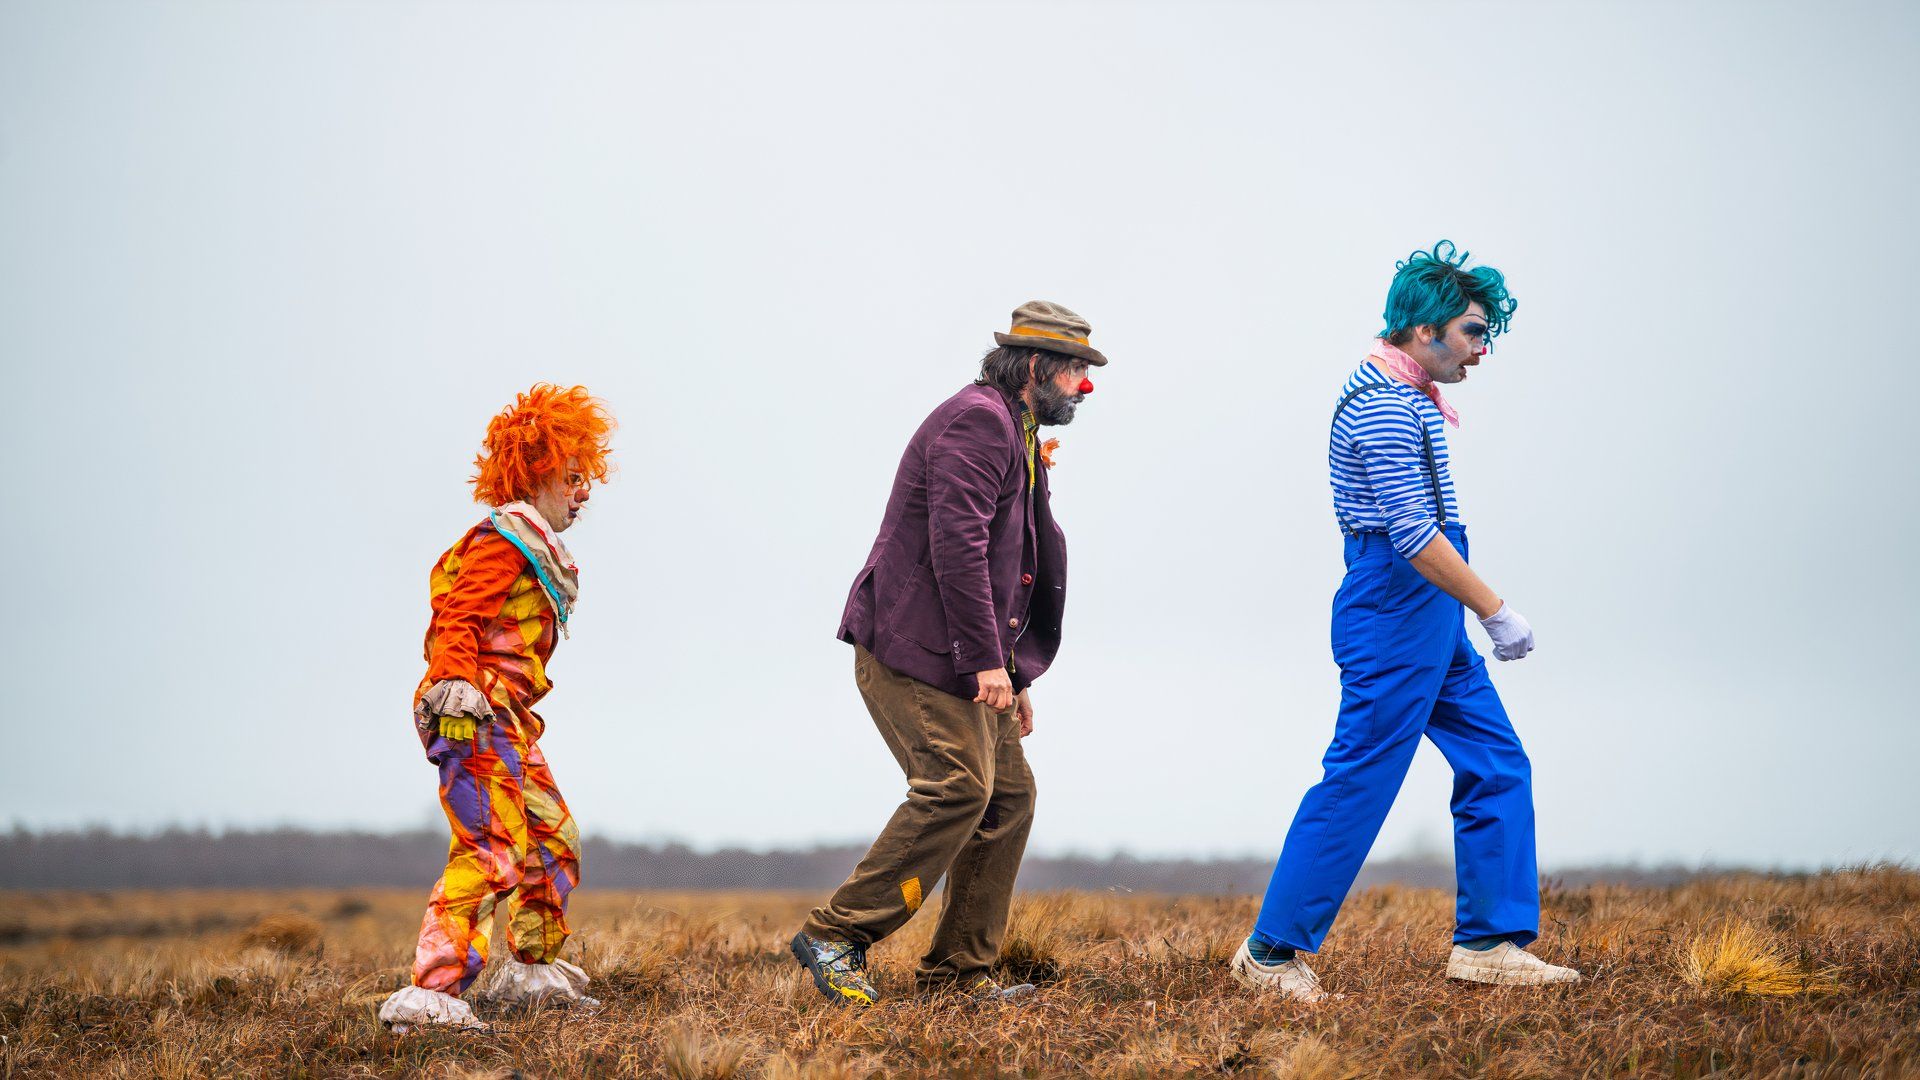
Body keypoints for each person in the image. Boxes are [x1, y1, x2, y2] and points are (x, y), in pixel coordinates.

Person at [1232, 242, 1581, 1001]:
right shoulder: (1383, 405)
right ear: (1424, 330)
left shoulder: (1407, 392)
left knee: (1496, 762)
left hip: (1426, 614)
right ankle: (1269, 954)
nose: (1482, 351)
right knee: (1361, 778)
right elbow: (1415, 538)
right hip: (1395, 607)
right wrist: (1495, 610)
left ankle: (1489, 941)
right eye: (1473, 332)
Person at [789, 301, 1104, 1006]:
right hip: (915, 649)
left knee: (1010, 798)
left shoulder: (1015, 428)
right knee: (959, 787)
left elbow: (1010, 559)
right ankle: (837, 933)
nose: (1085, 387)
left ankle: (960, 975)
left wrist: (1013, 670)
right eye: (1077, 370)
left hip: (966, 650)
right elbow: (956, 549)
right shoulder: (978, 422)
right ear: (1035, 368)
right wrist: (983, 660)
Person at [378, 384, 615, 1032]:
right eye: (573, 476)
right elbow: (457, 617)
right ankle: (435, 994)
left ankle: (534, 973)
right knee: (492, 846)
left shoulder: (534, 551)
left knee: (551, 838)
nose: (585, 491)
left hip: (510, 720)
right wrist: (455, 688)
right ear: (537, 472)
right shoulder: (501, 541)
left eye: (586, 477)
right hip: (473, 709)